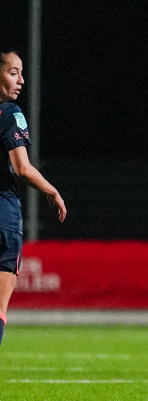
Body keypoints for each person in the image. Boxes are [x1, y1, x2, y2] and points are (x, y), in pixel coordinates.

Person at [0, 49, 67, 346]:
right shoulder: (10, 113)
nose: (21, 80)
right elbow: (22, 168)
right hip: (3, 217)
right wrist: (52, 190)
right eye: (13, 72)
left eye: (22, 73)